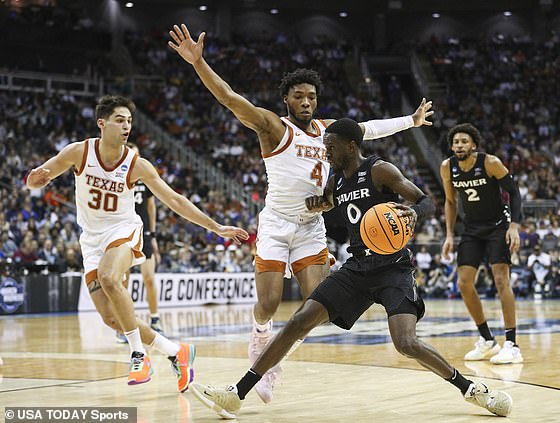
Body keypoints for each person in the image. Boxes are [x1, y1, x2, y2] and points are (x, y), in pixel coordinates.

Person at [168, 23, 434, 402]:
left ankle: (271, 367)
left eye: (311, 97)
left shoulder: (330, 132)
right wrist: (199, 63)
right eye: (298, 97)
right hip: (276, 224)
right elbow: (229, 97)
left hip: (311, 227)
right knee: (270, 304)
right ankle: (259, 337)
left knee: (316, 306)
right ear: (287, 100)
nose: (306, 102)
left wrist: (411, 121)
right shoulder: (274, 128)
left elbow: (370, 129)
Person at [188, 118, 512, 419]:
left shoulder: (379, 170)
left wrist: (412, 213)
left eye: (330, 147)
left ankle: (471, 389)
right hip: (357, 267)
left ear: (351, 146)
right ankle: (236, 393)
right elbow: (329, 203)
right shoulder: (336, 180)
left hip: (393, 269)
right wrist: (319, 205)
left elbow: (424, 200)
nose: (325, 152)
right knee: (300, 319)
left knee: (406, 343)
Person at [26, 95, 248, 390]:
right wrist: (34, 180)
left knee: (109, 277)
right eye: (120, 120)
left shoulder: (136, 164)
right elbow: (39, 177)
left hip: (123, 230)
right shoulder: (79, 152)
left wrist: (215, 226)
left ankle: (138, 355)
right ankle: (176, 352)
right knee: (112, 319)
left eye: (129, 121)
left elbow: (173, 199)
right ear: (101, 124)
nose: (126, 126)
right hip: (90, 241)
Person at [440, 123, 523, 364]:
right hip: (472, 229)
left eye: (464, 141)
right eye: (456, 142)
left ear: (473, 145)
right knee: (463, 283)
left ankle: (512, 344)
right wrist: (448, 235)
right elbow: (450, 202)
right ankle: (487, 340)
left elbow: (514, 192)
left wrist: (514, 226)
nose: (459, 145)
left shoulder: (490, 163)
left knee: (500, 279)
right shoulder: (448, 167)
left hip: (498, 225)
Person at [115, 142, 163, 344]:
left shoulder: (145, 178)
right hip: (123, 234)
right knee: (122, 283)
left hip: (144, 234)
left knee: (149, 279)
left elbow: (151, 208)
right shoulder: (116, 179)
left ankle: (155, 318)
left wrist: (152, 235)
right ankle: (126, 326)